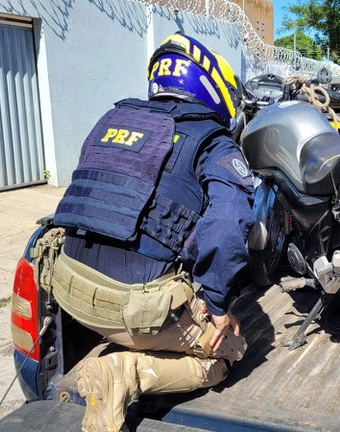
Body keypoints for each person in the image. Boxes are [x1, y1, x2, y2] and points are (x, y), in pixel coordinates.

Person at [46, 33, 253, 432]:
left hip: (70, 290)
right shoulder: (212, 141)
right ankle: (125, 373)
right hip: (131, 309)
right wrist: (216, 304)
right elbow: (228, 223)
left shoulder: (111, 121)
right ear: (212, 86)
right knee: (230, 350)